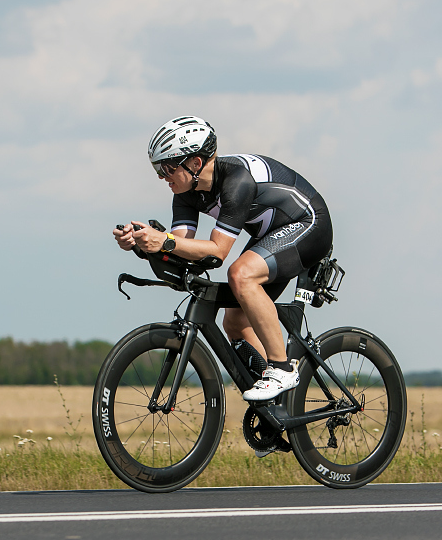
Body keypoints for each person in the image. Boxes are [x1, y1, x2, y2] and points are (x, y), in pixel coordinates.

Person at [113, 115, 333, 401]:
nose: (161, 177)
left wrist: (163, 240)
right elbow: (181, 248)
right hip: (272, 232)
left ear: (195, 163)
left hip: (309, 224)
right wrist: (143, 244)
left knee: (241, 274)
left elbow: (218, 251)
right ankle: (278, 408)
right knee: (235, 322)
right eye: (158, 169)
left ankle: (282, 367)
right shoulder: (185, 192)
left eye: (167, 168)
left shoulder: (236, 181)